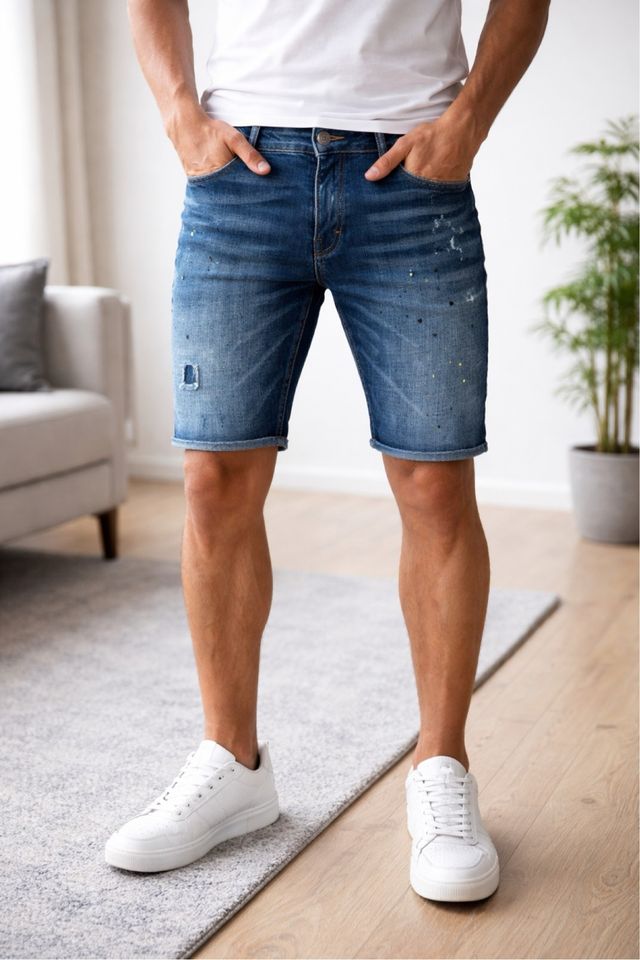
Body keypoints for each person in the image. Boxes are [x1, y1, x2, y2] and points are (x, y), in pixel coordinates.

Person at [105, 0, 550, 902]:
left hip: (411, 177)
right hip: (241, 177)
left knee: (434, 483)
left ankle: (441, 767)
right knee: (213, 479)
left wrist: (467, 120)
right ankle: (232, 764)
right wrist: (180, 113)